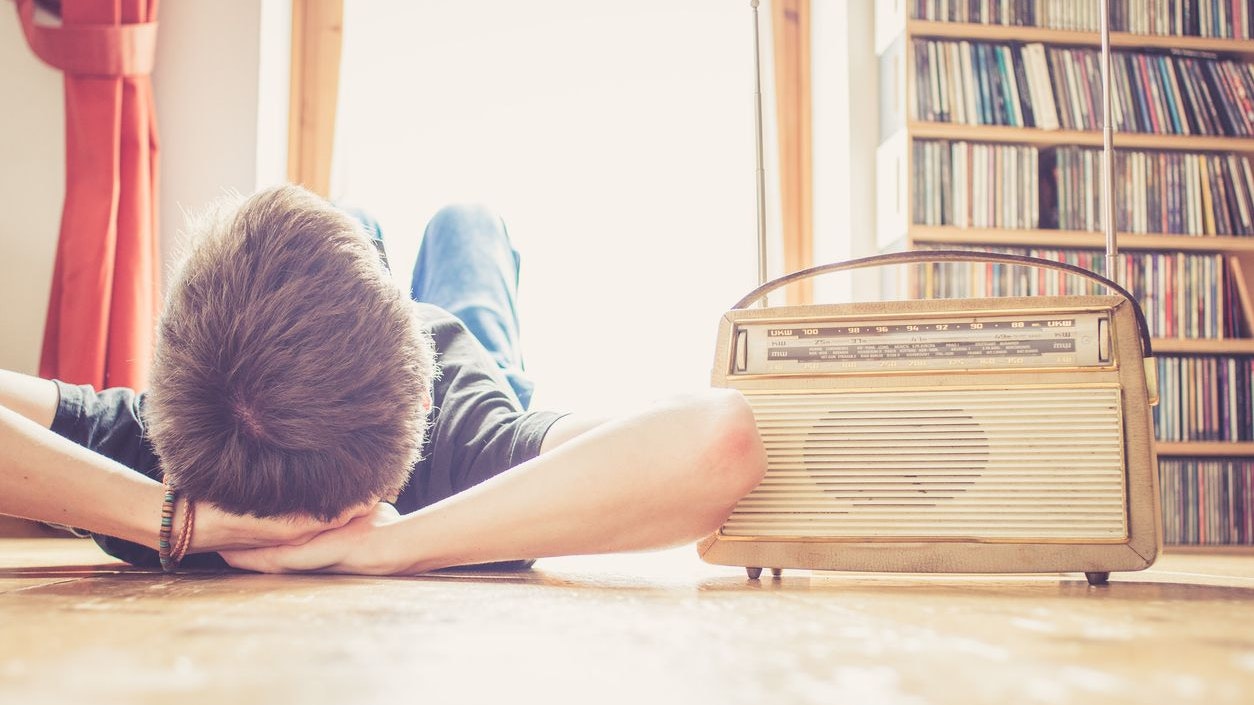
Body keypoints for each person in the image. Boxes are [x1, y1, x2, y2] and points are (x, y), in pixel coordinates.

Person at [0, 185, 766, 574]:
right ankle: (378, 239)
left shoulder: (158, 453)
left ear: (163, 391)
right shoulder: (473, 446)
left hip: (386, 357)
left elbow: (712, 437)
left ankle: (356, 233)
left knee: (348, 220)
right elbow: (717, 440)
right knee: (468, 225)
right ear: (427, 393)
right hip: (476, 367)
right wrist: (387, 547)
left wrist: (172, 520)